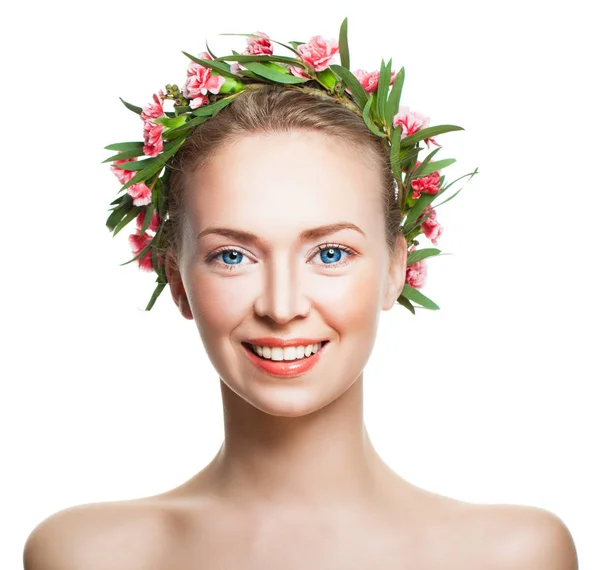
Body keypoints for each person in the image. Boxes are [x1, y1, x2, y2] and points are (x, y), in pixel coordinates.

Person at [23, 24, 578, 570]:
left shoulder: (512, 555)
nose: (282, 306)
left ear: (397, 270)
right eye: (233, 256)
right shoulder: (85, 555)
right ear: (176, 279)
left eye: (330, 253)